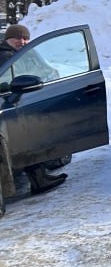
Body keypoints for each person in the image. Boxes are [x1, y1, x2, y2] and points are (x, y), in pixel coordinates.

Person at [0, 23, 67, 197]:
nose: (22, 41)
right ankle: (39, 180)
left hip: (20, 102)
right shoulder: (5, 56)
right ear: (8, 40)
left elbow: (43, 70)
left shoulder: (21, 54)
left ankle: (40, 176)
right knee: (27, 138)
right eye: (17, 38)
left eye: (25, 38)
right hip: (10, 106)